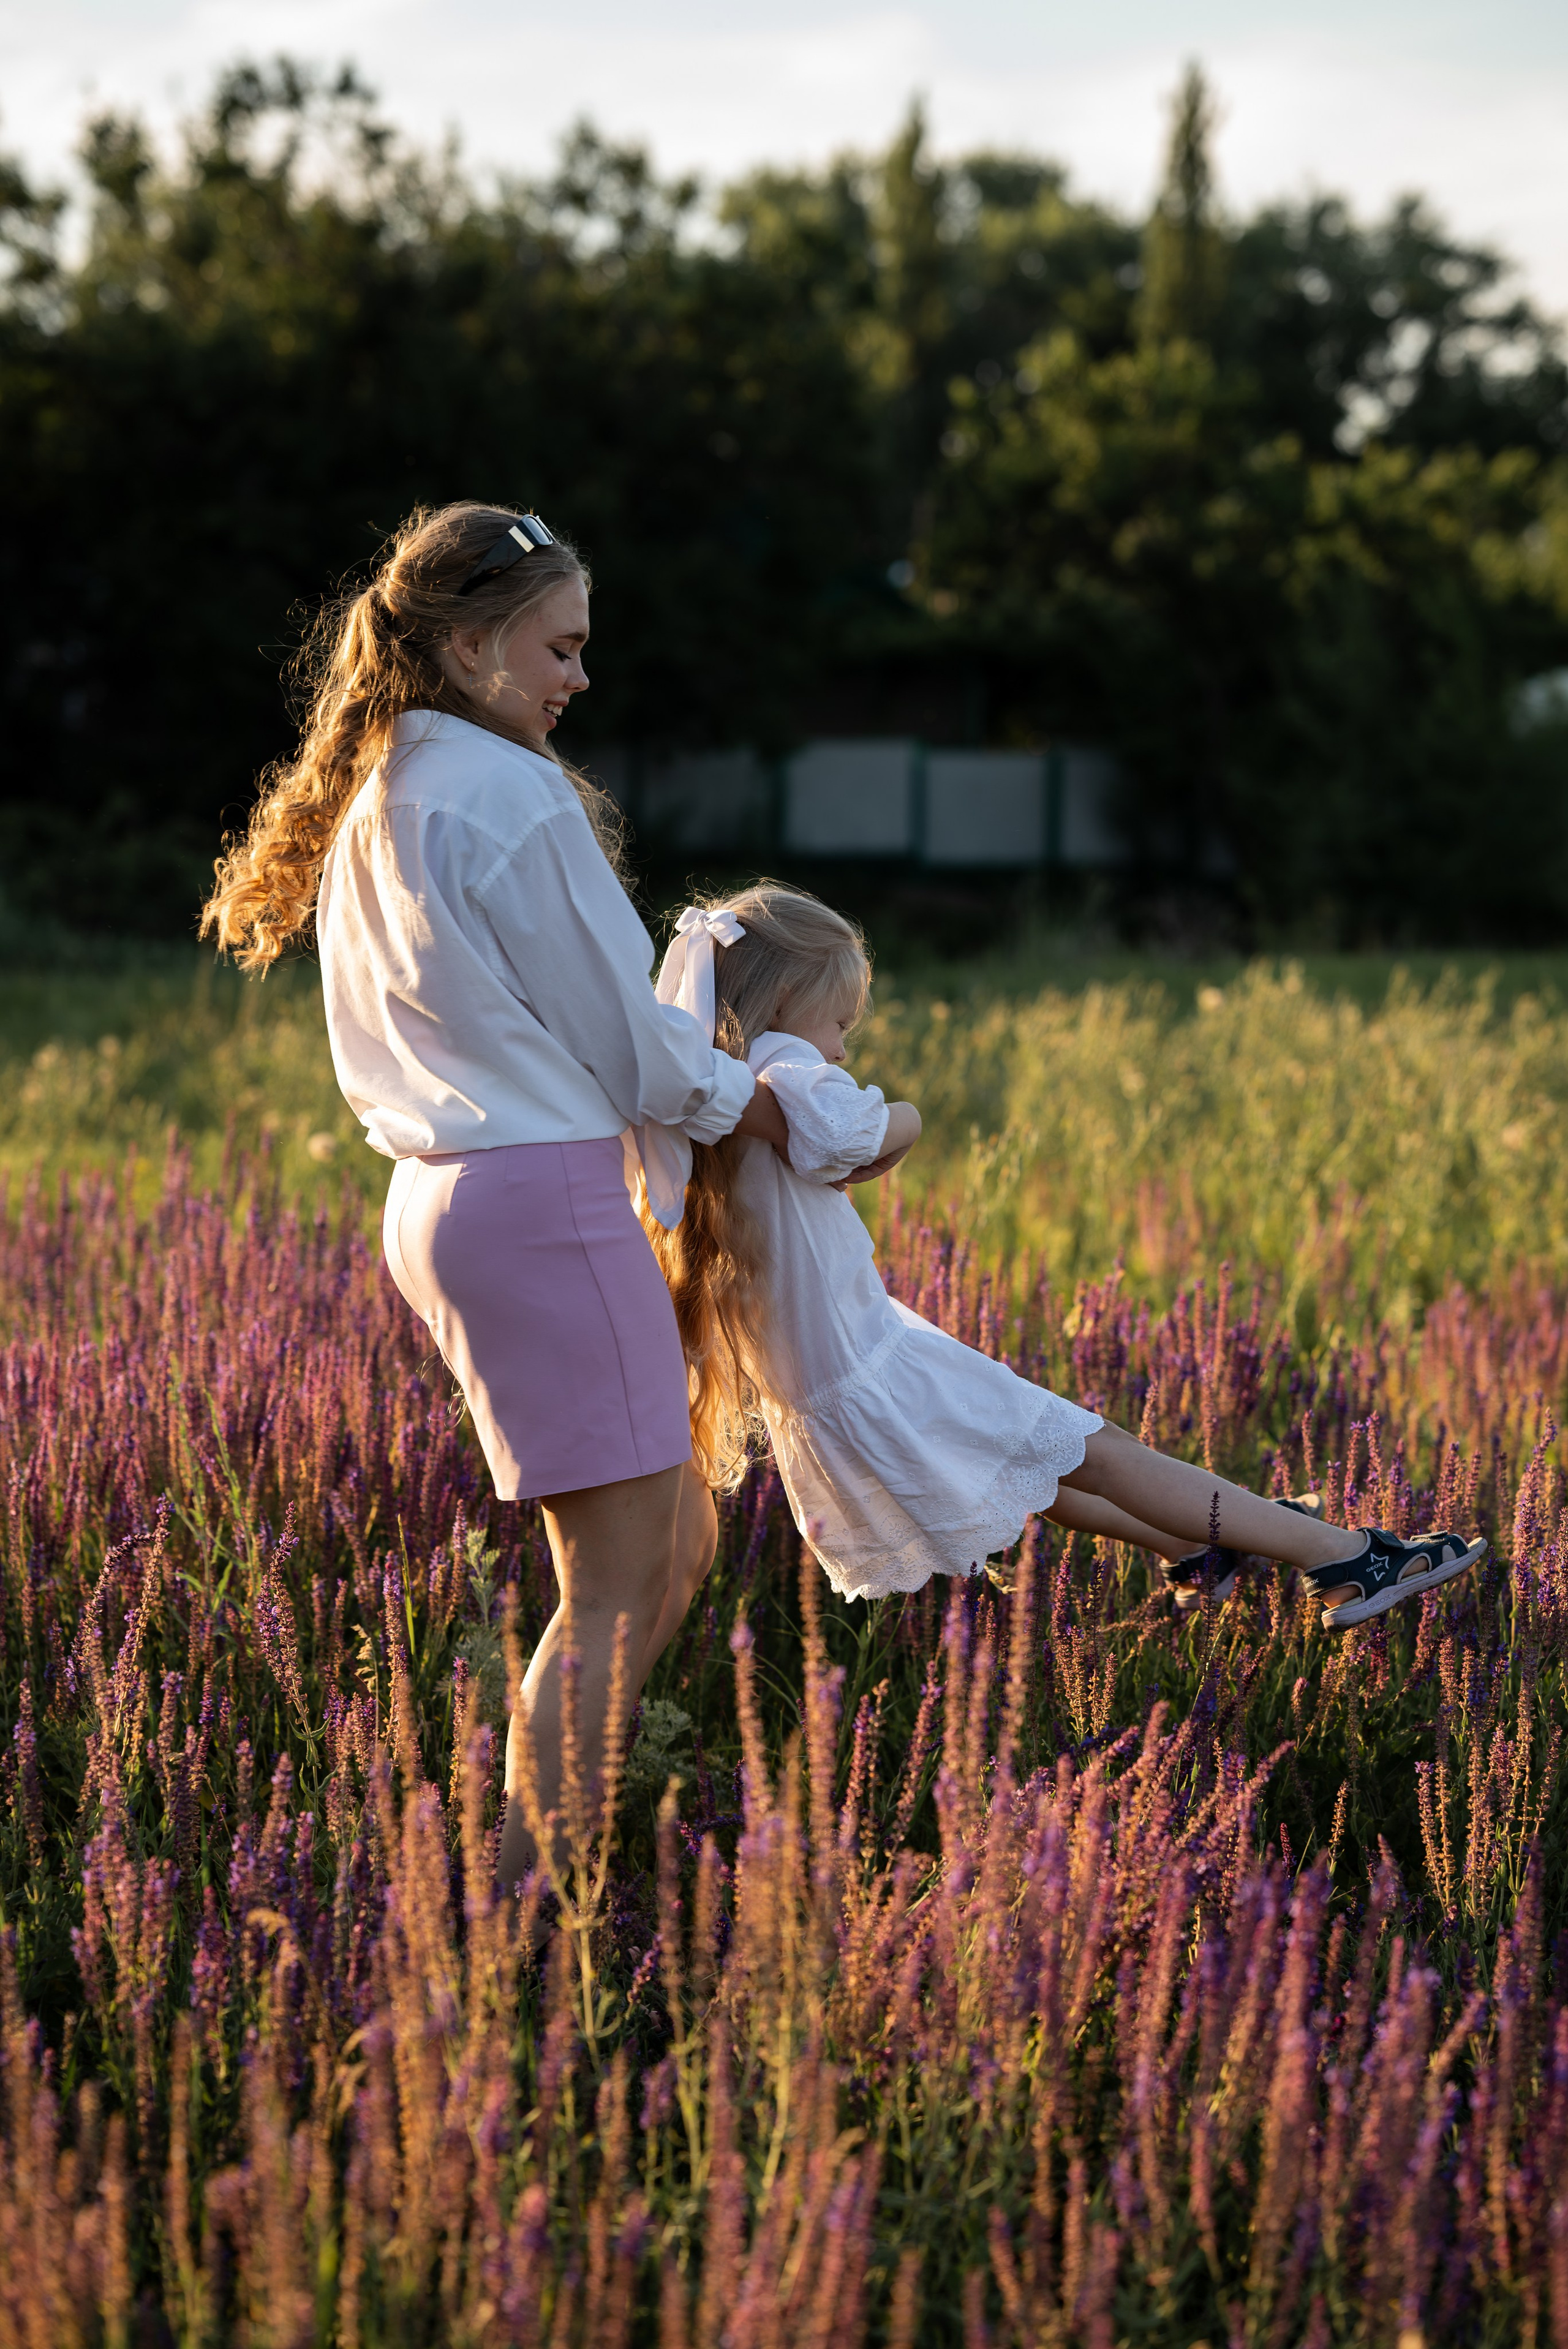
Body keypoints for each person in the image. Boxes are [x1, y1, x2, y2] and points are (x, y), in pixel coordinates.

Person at [202, 501, 794, 1888]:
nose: (580, 677)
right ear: (471, 647)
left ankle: (544, 1874)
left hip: (452, 1202)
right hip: (543, 1201)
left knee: (675, 1543)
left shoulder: (382, 791)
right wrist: (769, 1107)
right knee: (614, 1590)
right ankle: (520, 1921)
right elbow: (628, 1040)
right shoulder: (509, 793)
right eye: (559, 648)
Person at [640, 883, 1485, 1627]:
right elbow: (853, 1133)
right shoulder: (782, 1065)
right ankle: (1346, 1558)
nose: (842, 1050)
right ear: (789, 999)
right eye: (840, 1024)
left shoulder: (716, 1094)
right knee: (1100, 1452)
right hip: (874, 1364)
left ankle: (1204, 1548)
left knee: (1045, 1474)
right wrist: (913, 1119)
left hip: (842, 1366)